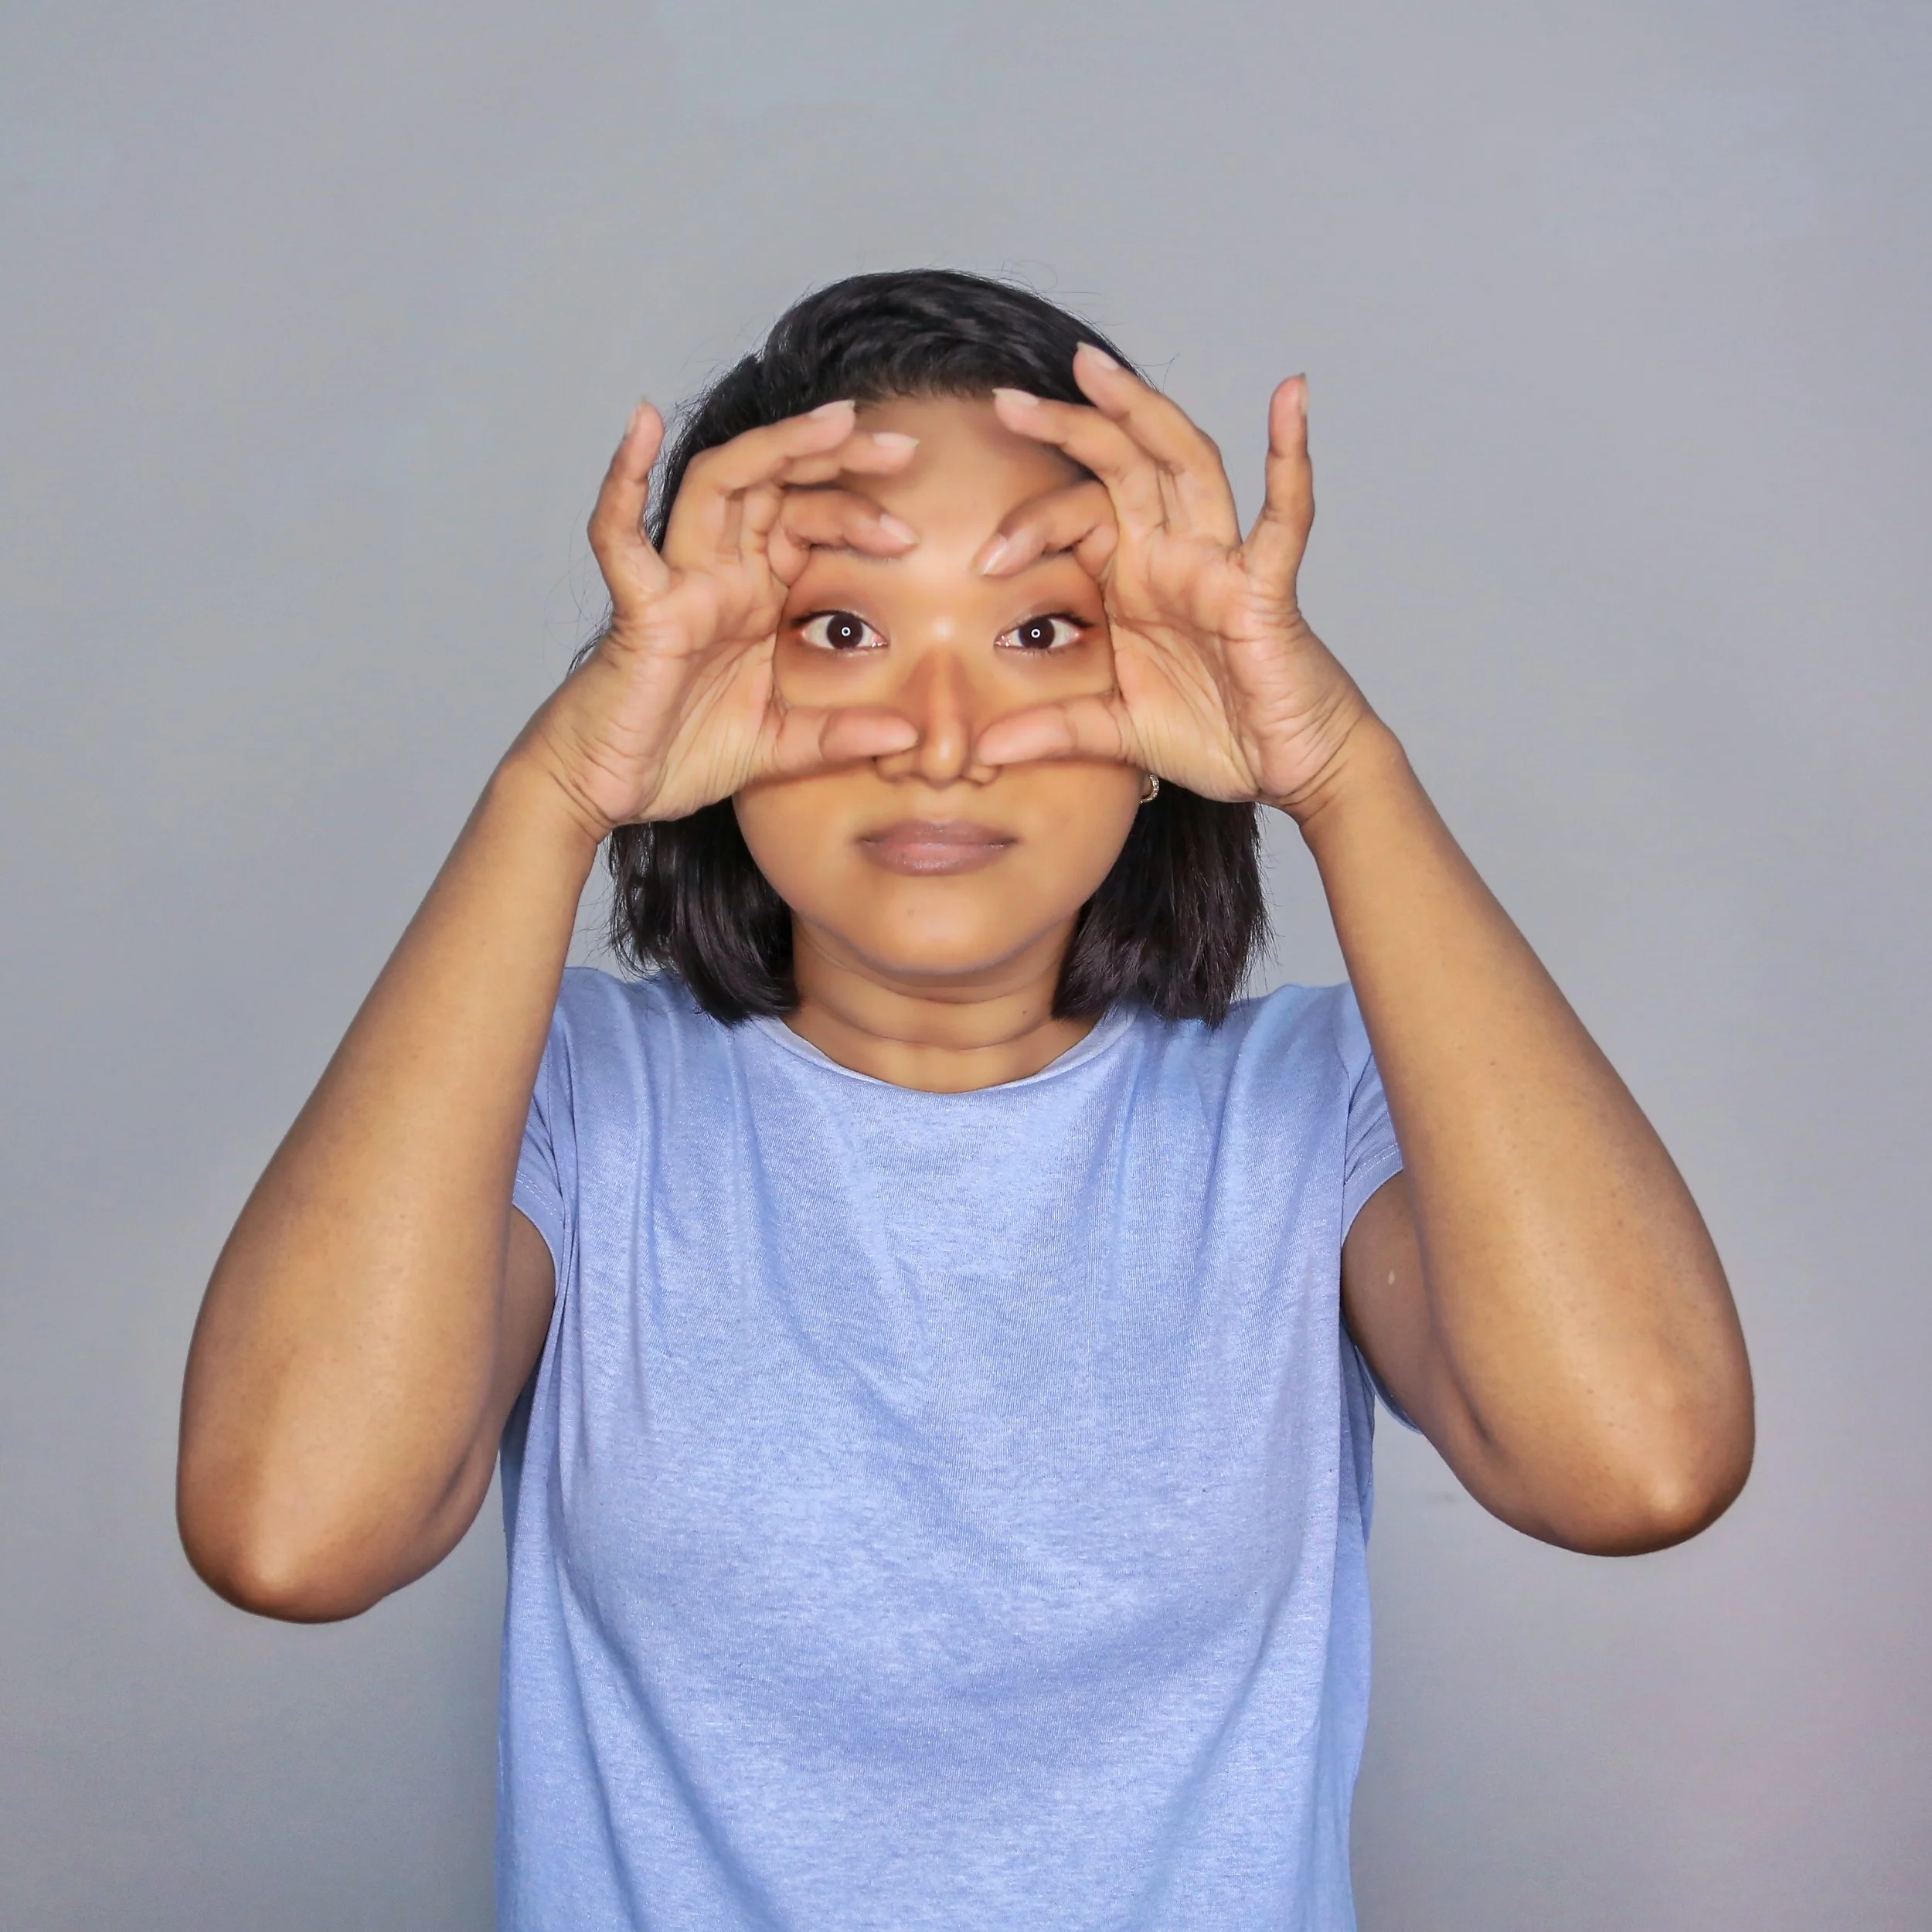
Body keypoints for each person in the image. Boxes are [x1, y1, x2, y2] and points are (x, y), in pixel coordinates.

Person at [177, 269, 1753, 1930]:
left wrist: (1342, 772)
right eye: (844, 630)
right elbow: (294, 1529)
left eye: (1040, 632)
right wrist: (555, 789)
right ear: (713, 666)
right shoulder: (566, 1094)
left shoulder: (1318, 1105)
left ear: (1155, 700)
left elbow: (1634, 1464)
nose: (941, 738)